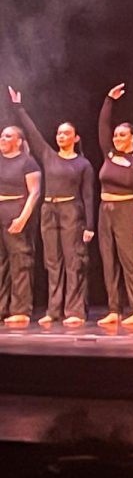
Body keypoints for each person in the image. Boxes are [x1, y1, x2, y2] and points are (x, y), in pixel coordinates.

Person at [9, 87, 95, 327]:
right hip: (49, 211)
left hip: (71, 212)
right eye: (59, 133)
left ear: (75, 138)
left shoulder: (83, 164)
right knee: (52, 262)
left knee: (73, 261)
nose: (61, 137)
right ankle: (54, 310)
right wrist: (18, 107)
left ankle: (75, 310)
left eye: (66, 134)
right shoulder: (48, 155)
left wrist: (89, 225)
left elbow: (88, 196)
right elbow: (33, 133)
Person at [95, 84, 133, 327]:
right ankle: (114, 309)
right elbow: (102, 128)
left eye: (123, 135)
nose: (117, 138)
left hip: (127, 211)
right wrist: (109, 100)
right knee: (108, 261)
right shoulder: (109, 155)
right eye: (116, 135)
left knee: (131, 260)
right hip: (104, 211)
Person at [0, 125, 40, 327]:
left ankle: (20, 310)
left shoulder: (27, 162)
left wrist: (23, 218)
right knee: (1, 264)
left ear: (18, 141)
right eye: (2, 136)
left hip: (16, 211)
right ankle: (1, 308)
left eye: (8, 136)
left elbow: (34, 192)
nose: (3, 139)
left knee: (20, 262)